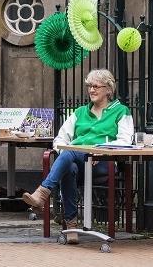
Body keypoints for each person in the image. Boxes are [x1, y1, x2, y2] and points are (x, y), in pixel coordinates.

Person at [22, 69, 134, 244]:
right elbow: (60, 139)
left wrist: (102, 149)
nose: (91, 90)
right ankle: (71, 225)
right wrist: (66, 154)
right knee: (69, 165)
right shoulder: (79, 112)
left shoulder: (121, 111)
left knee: (70, 154)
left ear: (109, 89)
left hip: (103, 162)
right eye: (89, 86)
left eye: (96, 86)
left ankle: (44, 193)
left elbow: (126, 140)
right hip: (79, 162)